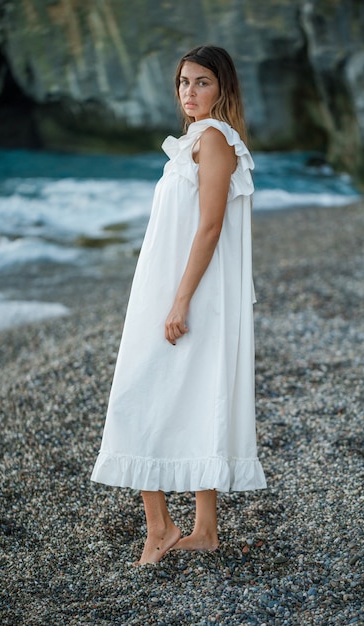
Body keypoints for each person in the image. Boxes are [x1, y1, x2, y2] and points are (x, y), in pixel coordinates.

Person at [91, 45, 267, 565]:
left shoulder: (214, 140)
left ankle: (161, 527)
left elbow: (211, 226)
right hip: (173, 287)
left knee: (136, 396)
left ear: (223, 88)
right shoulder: (198, 138)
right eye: (183, 82)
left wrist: (180, 301)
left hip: (190, 292)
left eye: (202, 82)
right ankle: (204, 530)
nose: (189, 92)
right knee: (195, 395)